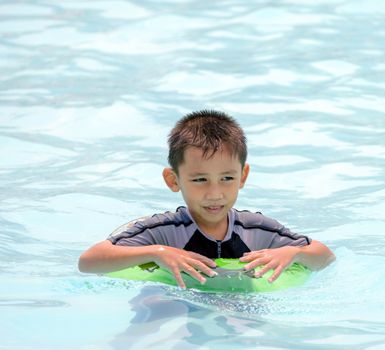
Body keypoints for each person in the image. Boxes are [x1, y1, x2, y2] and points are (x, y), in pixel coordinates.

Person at [78, 110, 335, 288]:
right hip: (174, 302)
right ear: (173, 180)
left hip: (239, 305)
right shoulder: (163, 232)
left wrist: (293, 253)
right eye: (200, 180)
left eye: (226, 178)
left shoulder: (256, 230)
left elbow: (325, 257)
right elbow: (89, 261)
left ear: (243, 176)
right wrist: (158, 253)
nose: (215, 193)